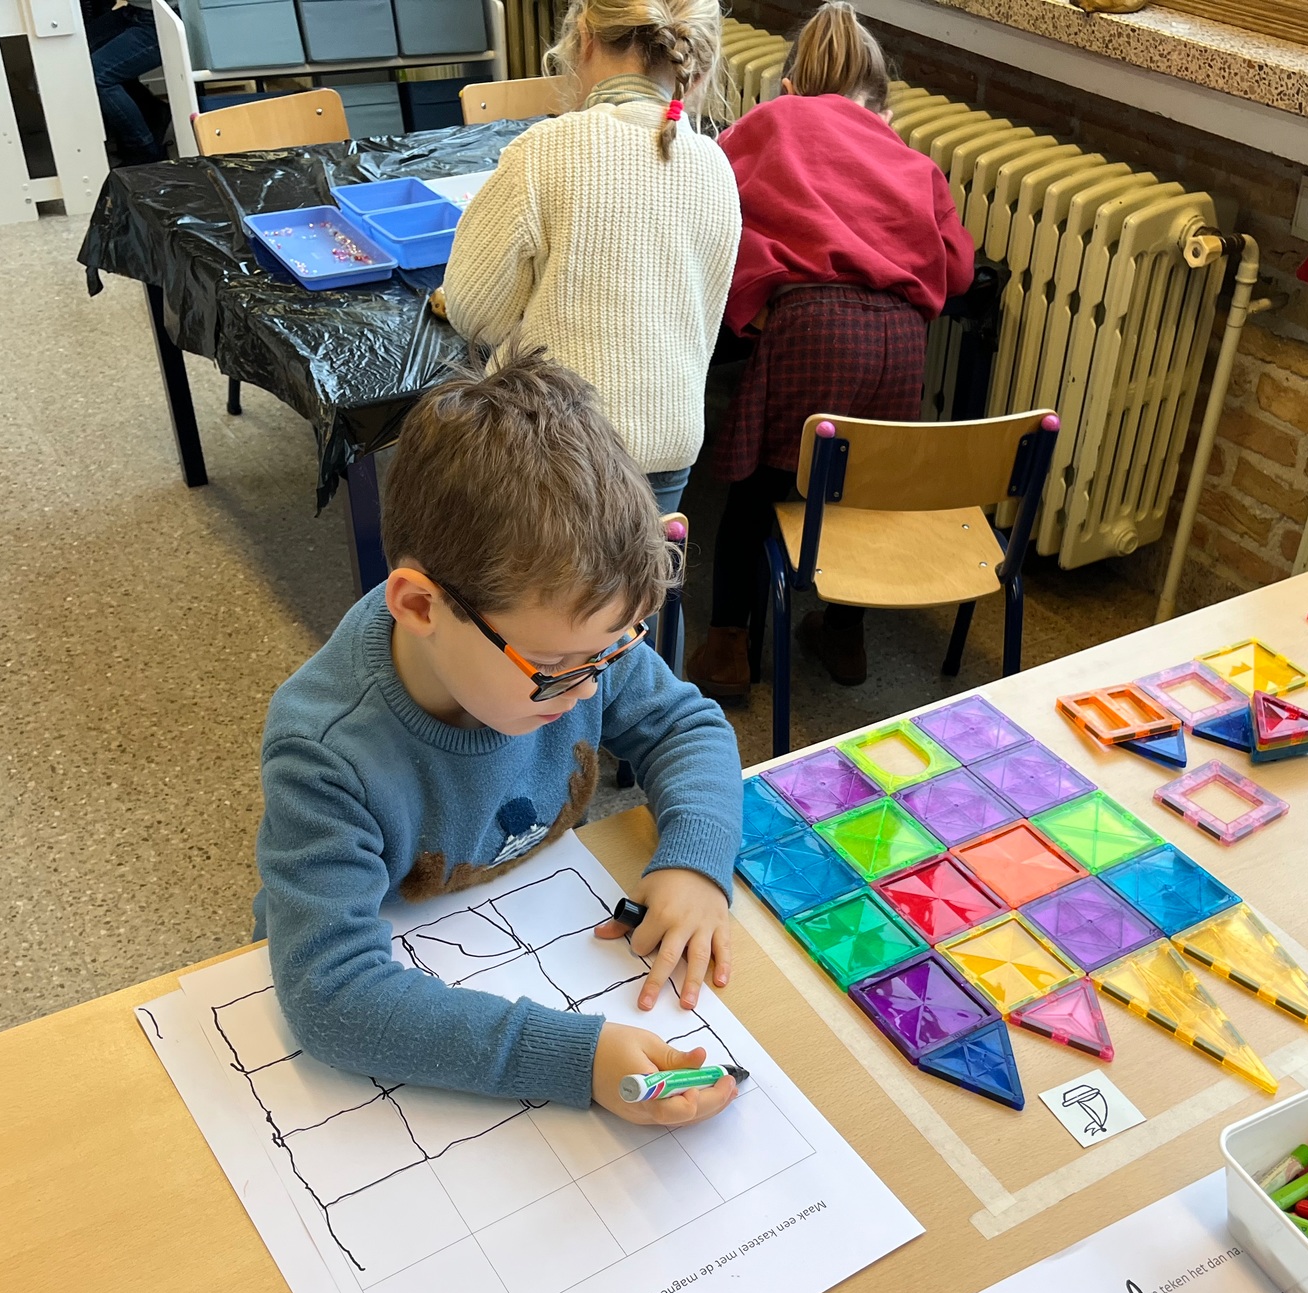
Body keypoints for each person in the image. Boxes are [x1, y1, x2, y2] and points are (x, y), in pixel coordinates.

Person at [254, 352, 743, 1127]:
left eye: (612, 651)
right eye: (553, 668)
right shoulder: (327, 751)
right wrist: (576, 1059)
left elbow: (688, 727)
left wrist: (694, 862)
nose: (588, 688)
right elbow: (331, 994)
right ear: (420, 607)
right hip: (392, 981)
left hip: (535, 917)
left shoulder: (575, 635)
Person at [686, 1, 974, 700]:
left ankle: (728, 648)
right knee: (860, 489)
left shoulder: (770, 122)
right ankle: (845, 635)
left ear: (790, 86)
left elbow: (708, 205)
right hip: (902, 336)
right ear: (880, 104)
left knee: (756, 488)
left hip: (812, 324)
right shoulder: (913, 162)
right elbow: (960, 271)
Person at [439, 0, 740, 514]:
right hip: (668, 446)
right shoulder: (717, 167)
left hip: (553, 447)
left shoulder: (545, 150)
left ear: (584, 35)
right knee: (647, 565)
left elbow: (472, 311)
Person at [86, 0, 165, 167]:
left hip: (162, 19)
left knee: (96, 74)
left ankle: (144, 151)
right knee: (74, 47)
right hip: (135, 11)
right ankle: (153, 114)